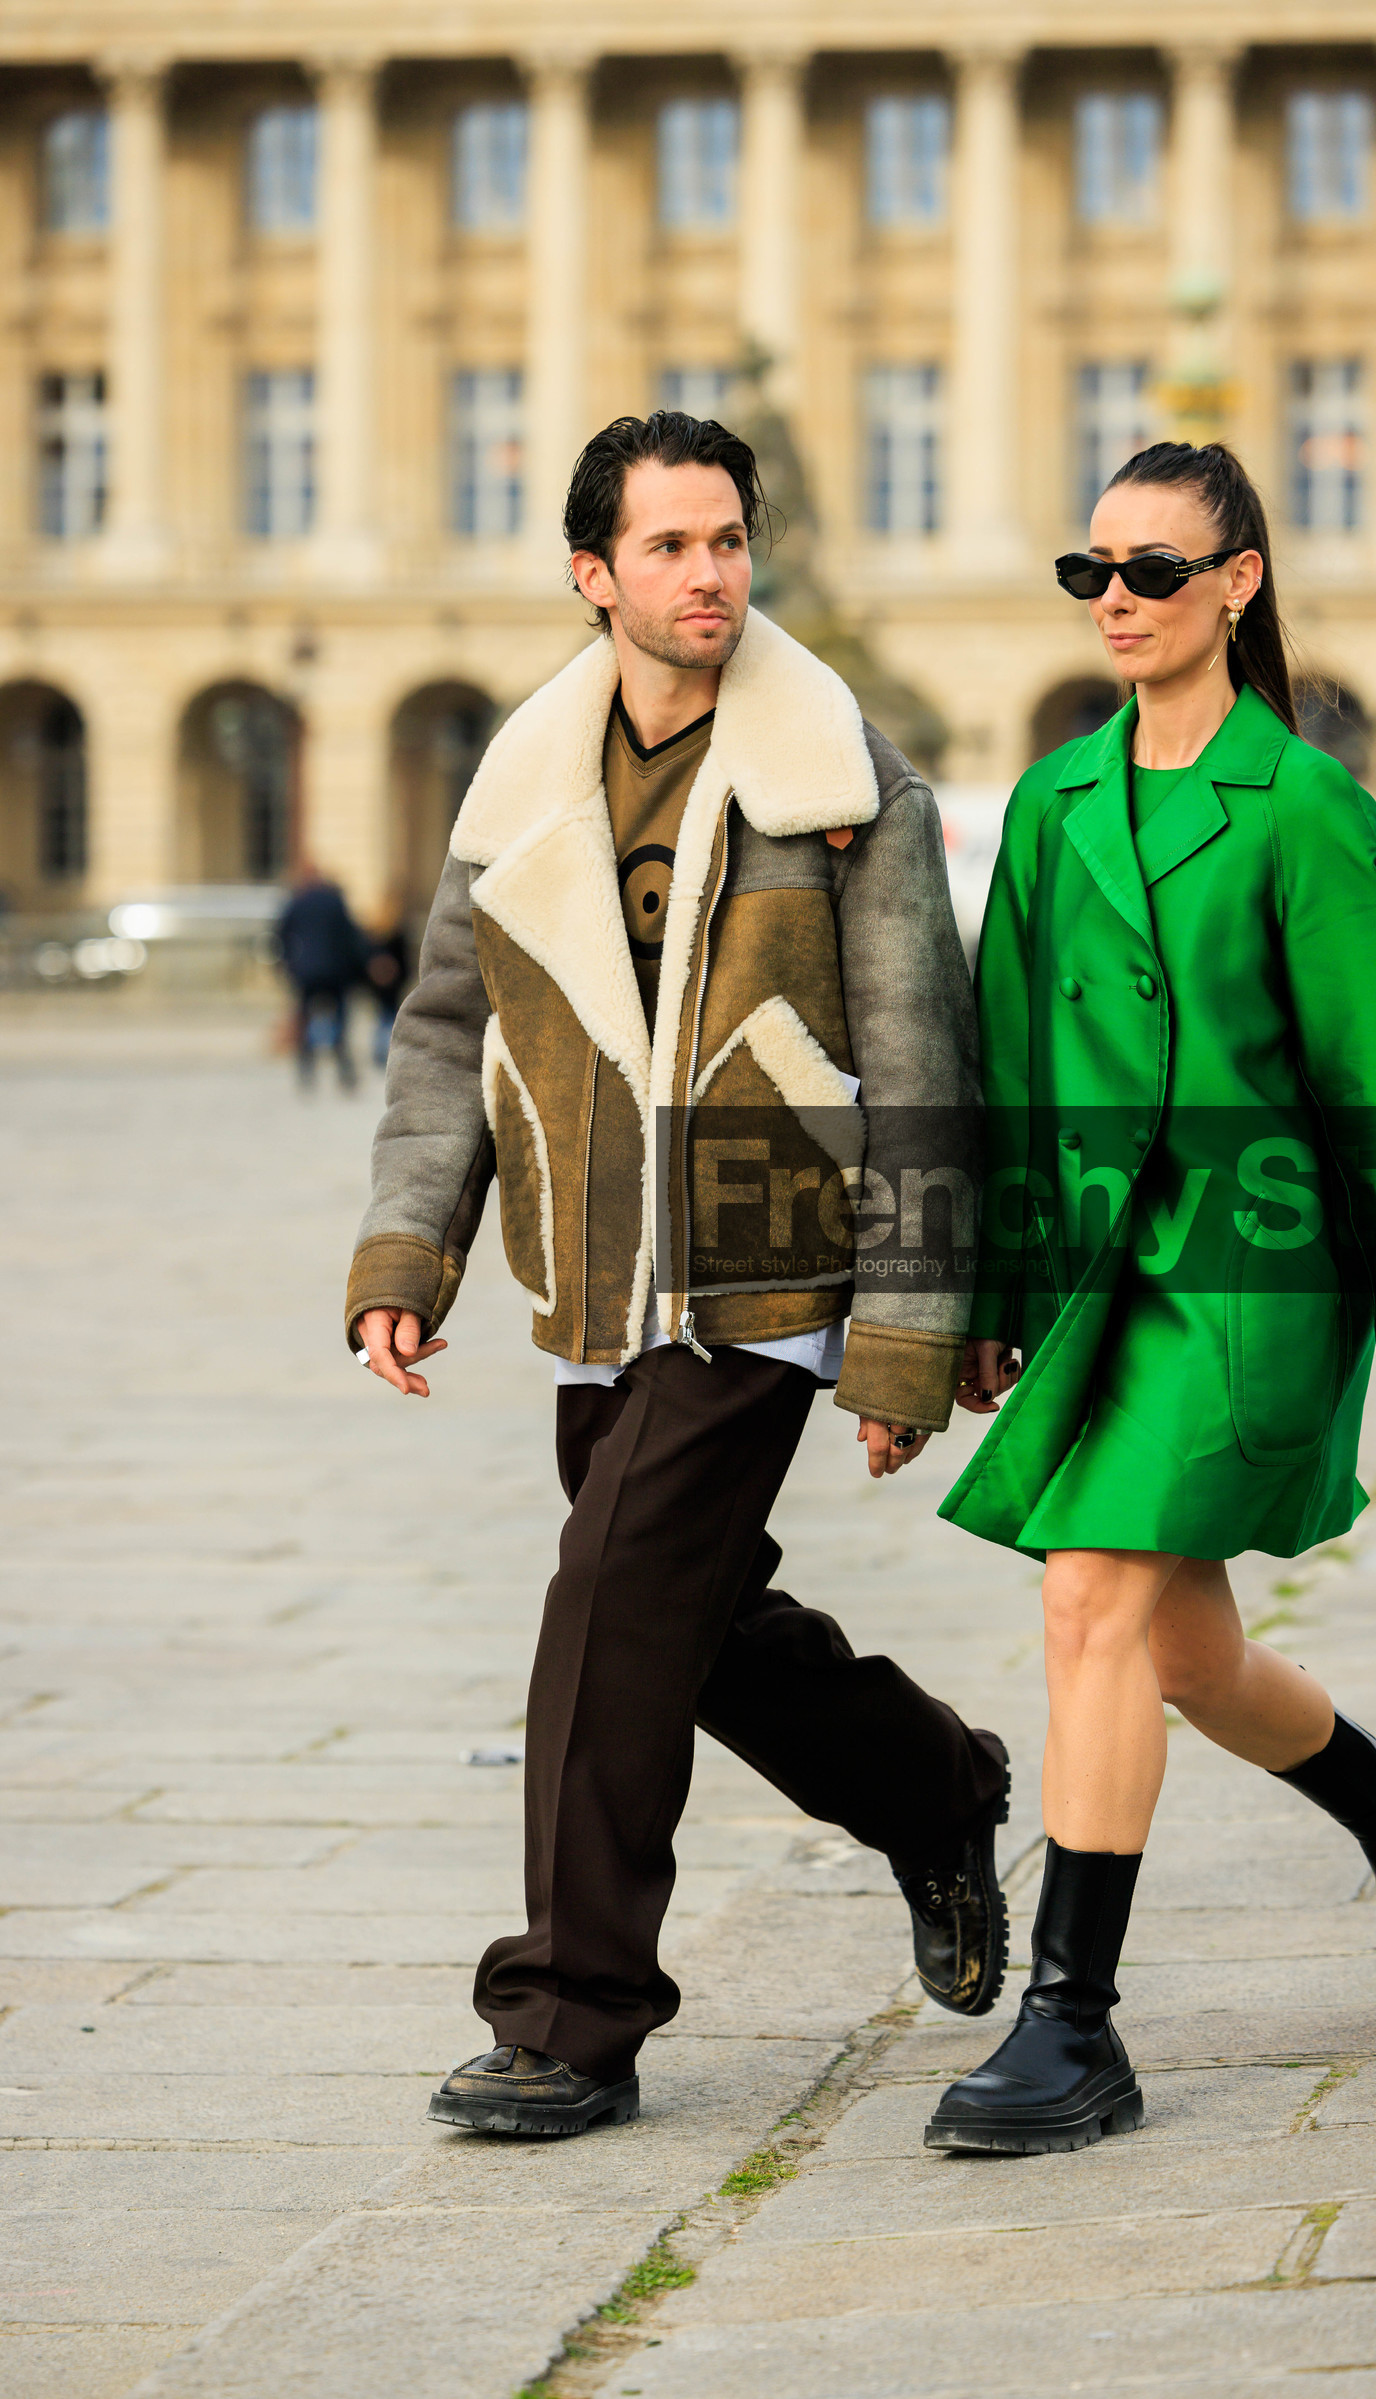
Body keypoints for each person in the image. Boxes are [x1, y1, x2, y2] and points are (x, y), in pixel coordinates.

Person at [345, 411, 1010, 2140]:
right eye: (671, 545)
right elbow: (443, 1030)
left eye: (728, 540)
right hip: (597, 1271)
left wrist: (908, 1334)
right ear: (595, 573)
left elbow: (924, 1054)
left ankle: (572, 2008)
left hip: (765, 1270)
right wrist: (408, 1249)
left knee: (609, 1609)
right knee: (691, 1627)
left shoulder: (834, 770)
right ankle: (938, 1785)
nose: (711, 572)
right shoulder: (521, 780)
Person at [924, 441, 1376, 2159]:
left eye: (1152, 570)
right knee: (1184, 1645)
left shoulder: (1304, 803)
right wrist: (992, 1285)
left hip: (1253, 1269)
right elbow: (1009, 1059)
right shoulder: (1053, 798)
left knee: (1089, 1593)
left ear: (1238, 581)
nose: (1117, 603)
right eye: (1091, 572)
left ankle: (1073, 2020)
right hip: (1097, 1273)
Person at [275, 864, 366, 1089]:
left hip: (305, 971)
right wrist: (358, 970)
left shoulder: (297, 901)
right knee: (340, 1022)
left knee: (304, 1019)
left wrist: (287, 964)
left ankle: (306, 1071)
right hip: (336, 972)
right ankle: (344, 1070)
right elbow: (351, 936)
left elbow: (280, 935)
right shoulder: (334, 901)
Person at [362, 896, 411, 1067]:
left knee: (382, 1016)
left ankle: (380, 1051)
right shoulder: (398, 930)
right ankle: (387, 1050)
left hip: (378, 981)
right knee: (390, 1015)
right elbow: (405, 959)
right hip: (394, 980)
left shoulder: (372, 931)